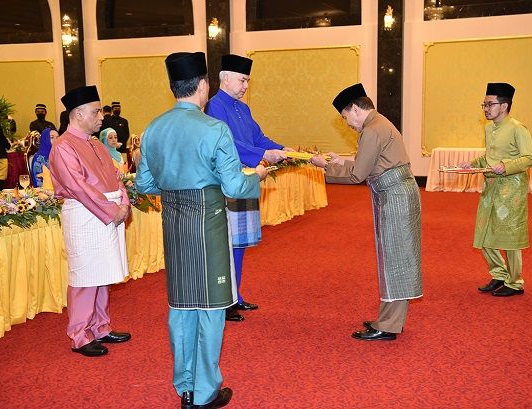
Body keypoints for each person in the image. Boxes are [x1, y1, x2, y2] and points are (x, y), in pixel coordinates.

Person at [136, 51, 267, 409]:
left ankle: (185, 386)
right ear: (204, 85)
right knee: (210, 307)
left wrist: (175, 190)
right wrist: (257, 175)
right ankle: (205, 391)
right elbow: (235, 187)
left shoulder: (154, 128)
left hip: (174, 225)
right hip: (207, 224)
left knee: (181, 306)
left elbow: (144, 185)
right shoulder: (214, 128)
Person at [310, 83, 422, 341]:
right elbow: (371, 165)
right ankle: (389, 319)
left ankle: (389, 325)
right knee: (395, 257)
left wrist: (323, 167)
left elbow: (357, 175)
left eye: (345, 117)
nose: (347, 123)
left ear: (355, 109)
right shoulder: (380, 123)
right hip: (398, 193)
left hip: (395, 197)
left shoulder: (371, 130)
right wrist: (340, 161)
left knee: (395, 260)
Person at [49, 85, 132, 357]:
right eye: (96, 112)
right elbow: (78, 187)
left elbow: (117, 177)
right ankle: (80, 335)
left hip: (108, 211)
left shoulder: (96, 144)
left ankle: (100, 327)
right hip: (86, 215)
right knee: (85, 276)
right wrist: (112, 210)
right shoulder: (63, 147)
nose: (101, 116)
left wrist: (123, 203)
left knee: (103, 273)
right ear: (78, 114)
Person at [206, 53, 290, 322]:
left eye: (247, 81)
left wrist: (282, 149)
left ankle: (235, 295)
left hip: (245, 180)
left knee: (239, 243)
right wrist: (263, 154)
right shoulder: (214, 107)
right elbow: (228, 143)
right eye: (242, 80)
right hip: (228, 183)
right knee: (225, 245)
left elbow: (258, 137)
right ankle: (224, 300)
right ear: (225, 79)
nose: (245, 86)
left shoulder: (243, 109)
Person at [461, 82, 532, 297]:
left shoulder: (518, 128)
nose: (485, 109)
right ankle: (499, 274)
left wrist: (506, 165)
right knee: (484, 233)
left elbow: (529, 158)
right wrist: (472, 164)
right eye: (484, 104)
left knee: (510, 238)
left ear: (504, 106)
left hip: (511, 190)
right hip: (491, 188)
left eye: (489, 104)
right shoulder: (488, 128)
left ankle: (515, 282)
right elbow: (489, 157)